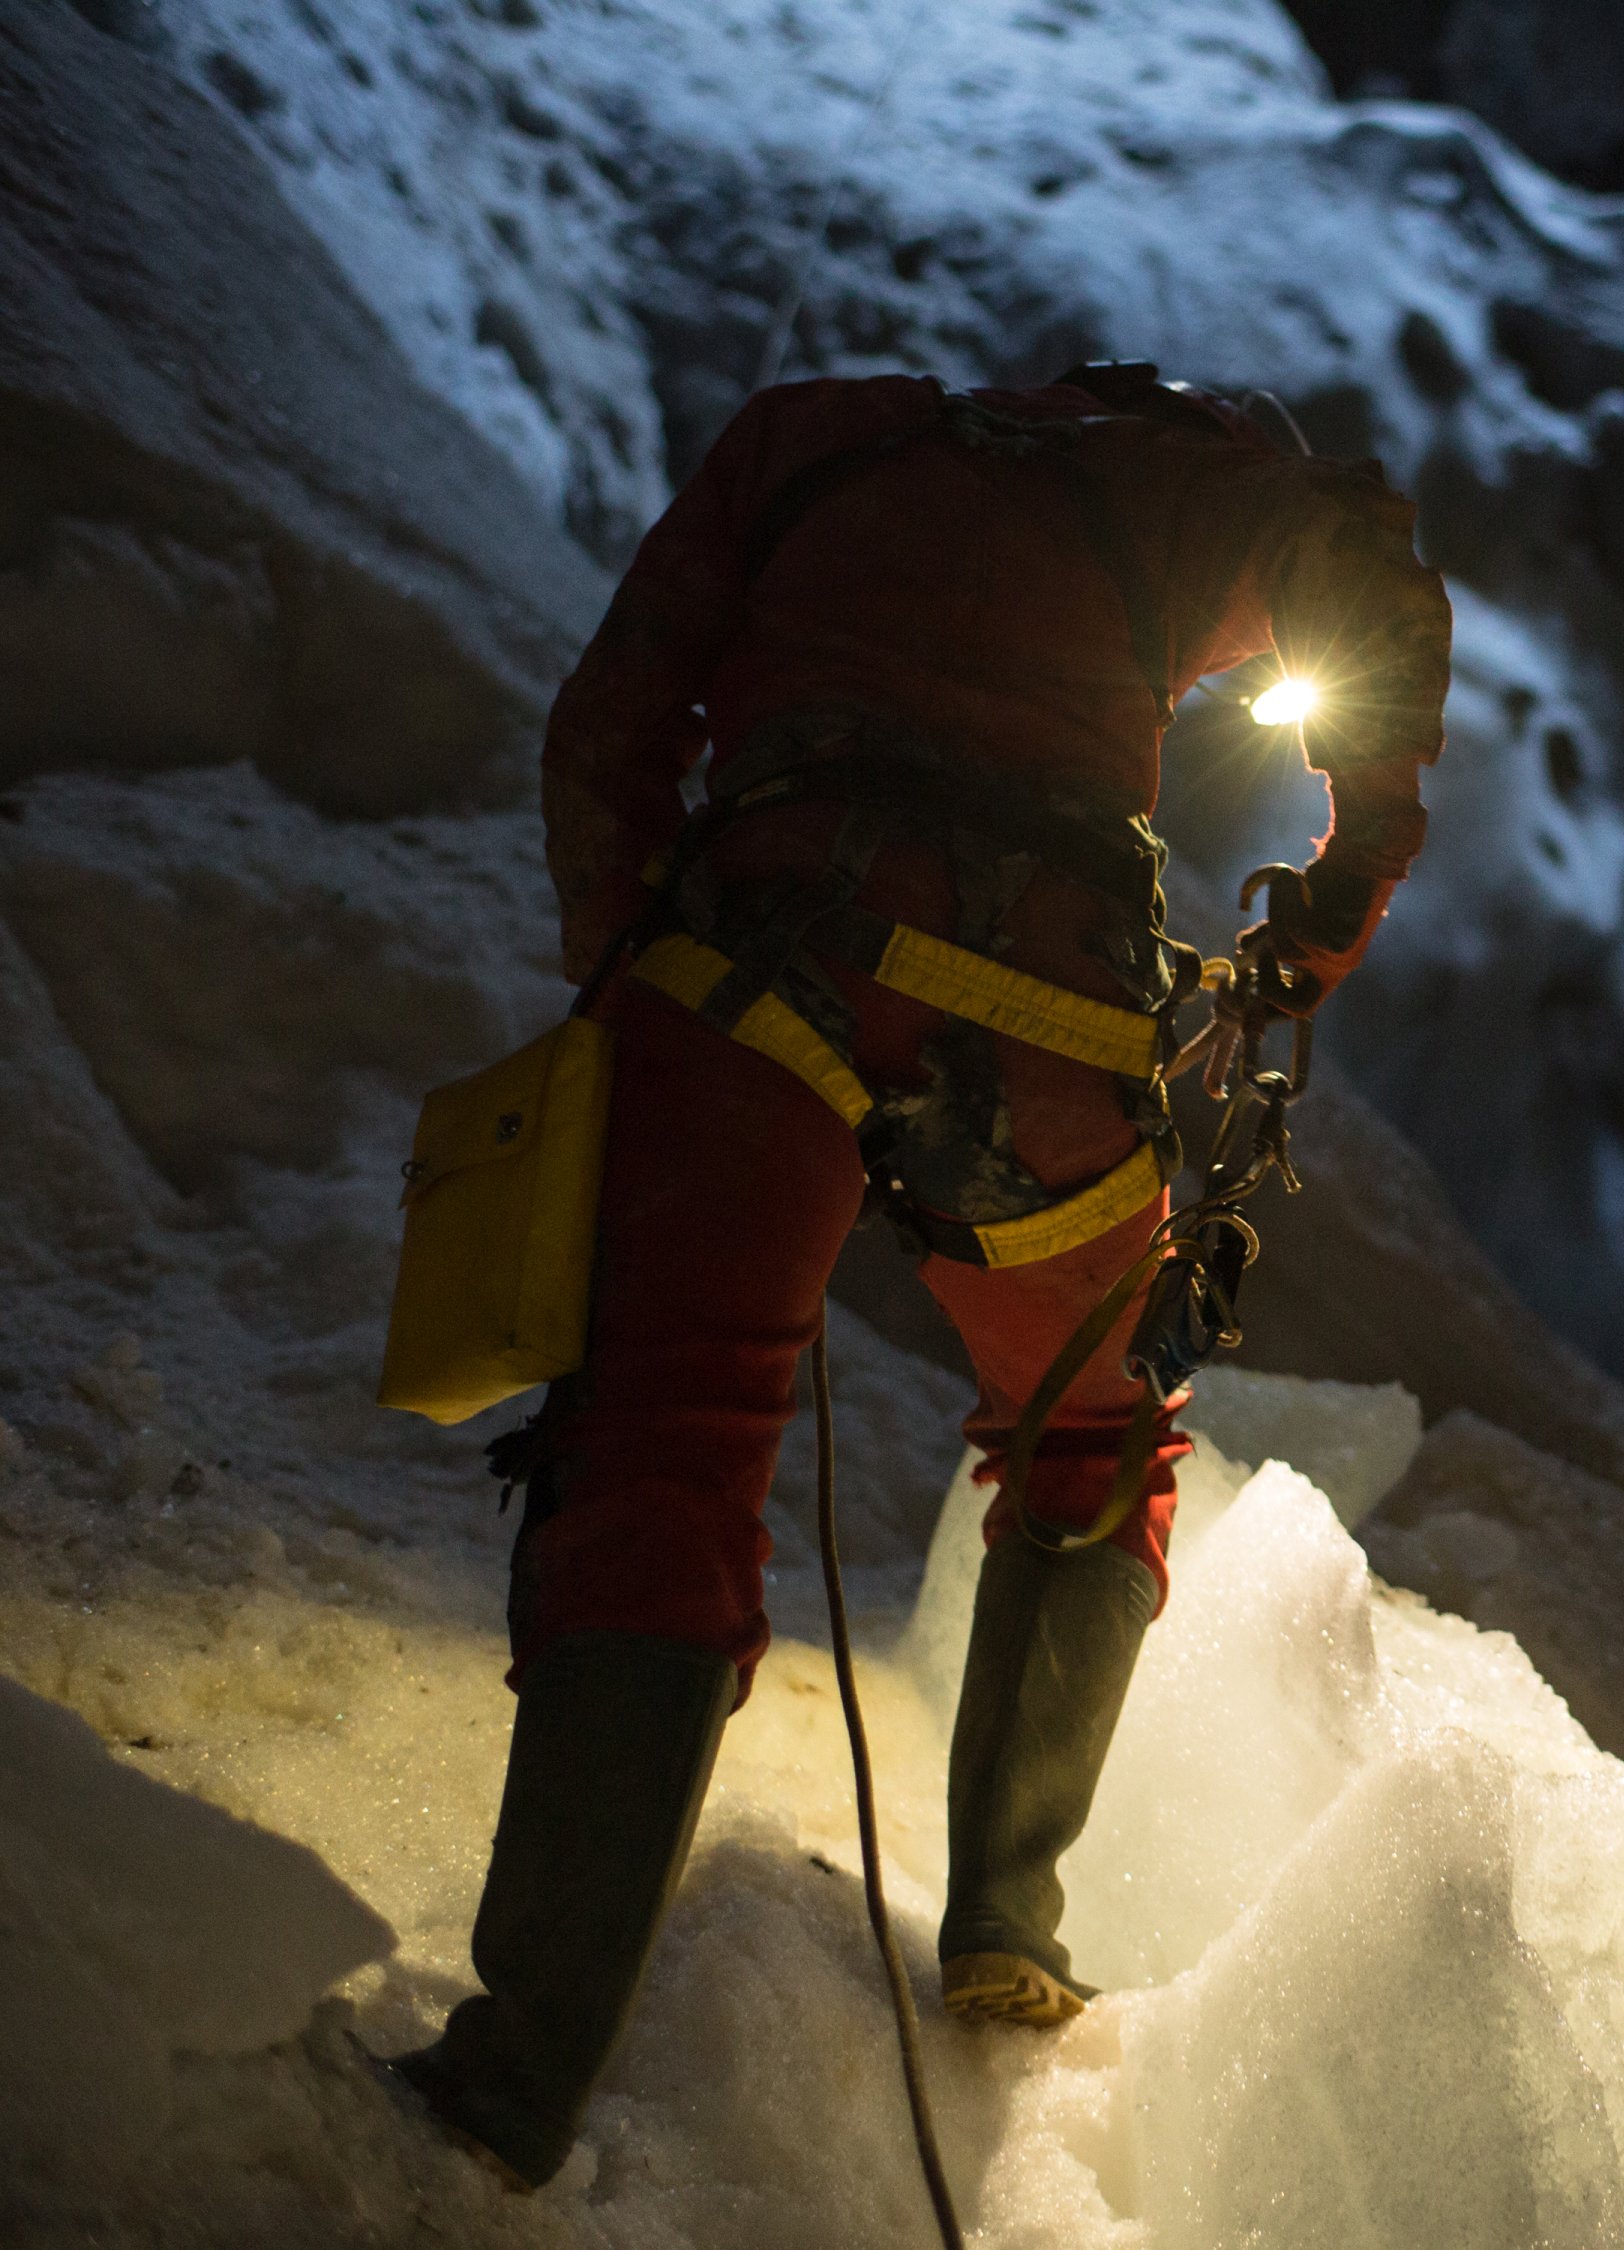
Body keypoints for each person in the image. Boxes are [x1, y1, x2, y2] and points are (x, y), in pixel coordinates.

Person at [385, 361, 1451, 2188]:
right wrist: (1331, 904)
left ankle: (515, 2076)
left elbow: (608, 727)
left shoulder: (811, 436)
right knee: (1098, 1429)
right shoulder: (1185, 485)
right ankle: (1007, 1927)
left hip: (757, 964)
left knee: (670, 1443)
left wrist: (634, 969)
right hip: (1050, 1007)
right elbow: (1366, 582)